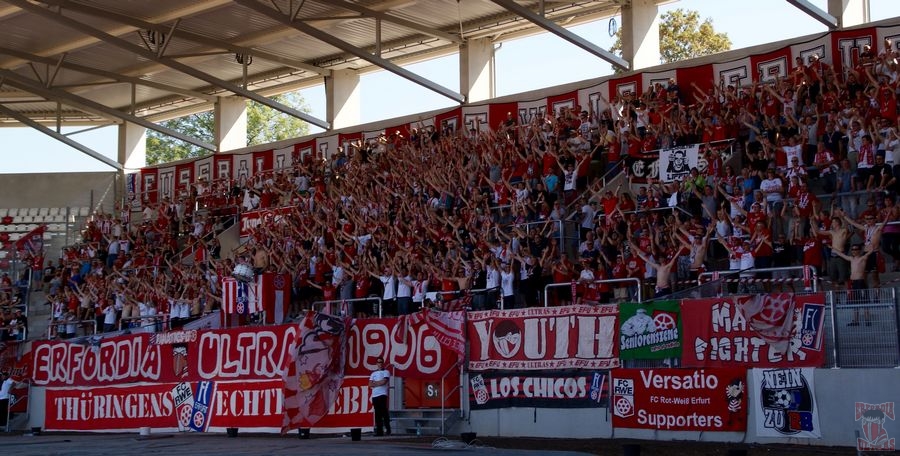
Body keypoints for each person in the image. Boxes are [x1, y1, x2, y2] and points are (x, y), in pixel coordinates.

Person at [369, 357, 391, 436]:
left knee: (384, 412)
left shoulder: (386, 372)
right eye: (378, 362)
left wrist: (375, 383)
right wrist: (378, 383)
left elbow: (384, 382)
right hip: (375, 395)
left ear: (383, 363)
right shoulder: (373, 373)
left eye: (381, 362)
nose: (380, 364)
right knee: (377, 414)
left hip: (382, 394)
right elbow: (370, 384)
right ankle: (379, 431)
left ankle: (388, 429)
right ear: (376, 363)